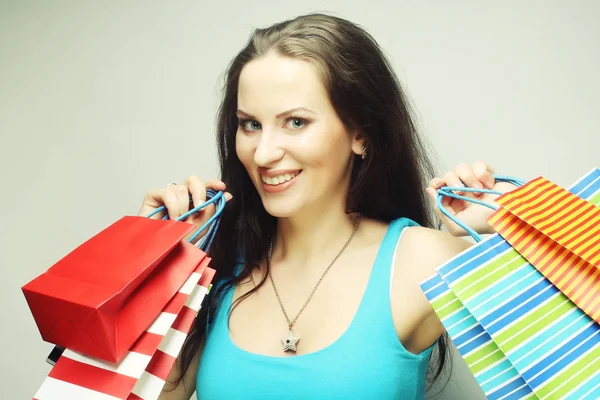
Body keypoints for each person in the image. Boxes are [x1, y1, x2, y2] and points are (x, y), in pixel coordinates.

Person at [138, 13, 515, 400]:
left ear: (360, 133)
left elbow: (569, 362)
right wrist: (146, 260)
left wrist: (506, 226)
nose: (264, 153)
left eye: (296, 122)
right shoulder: (217, 265)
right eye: (250, 124)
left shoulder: (419, 259)